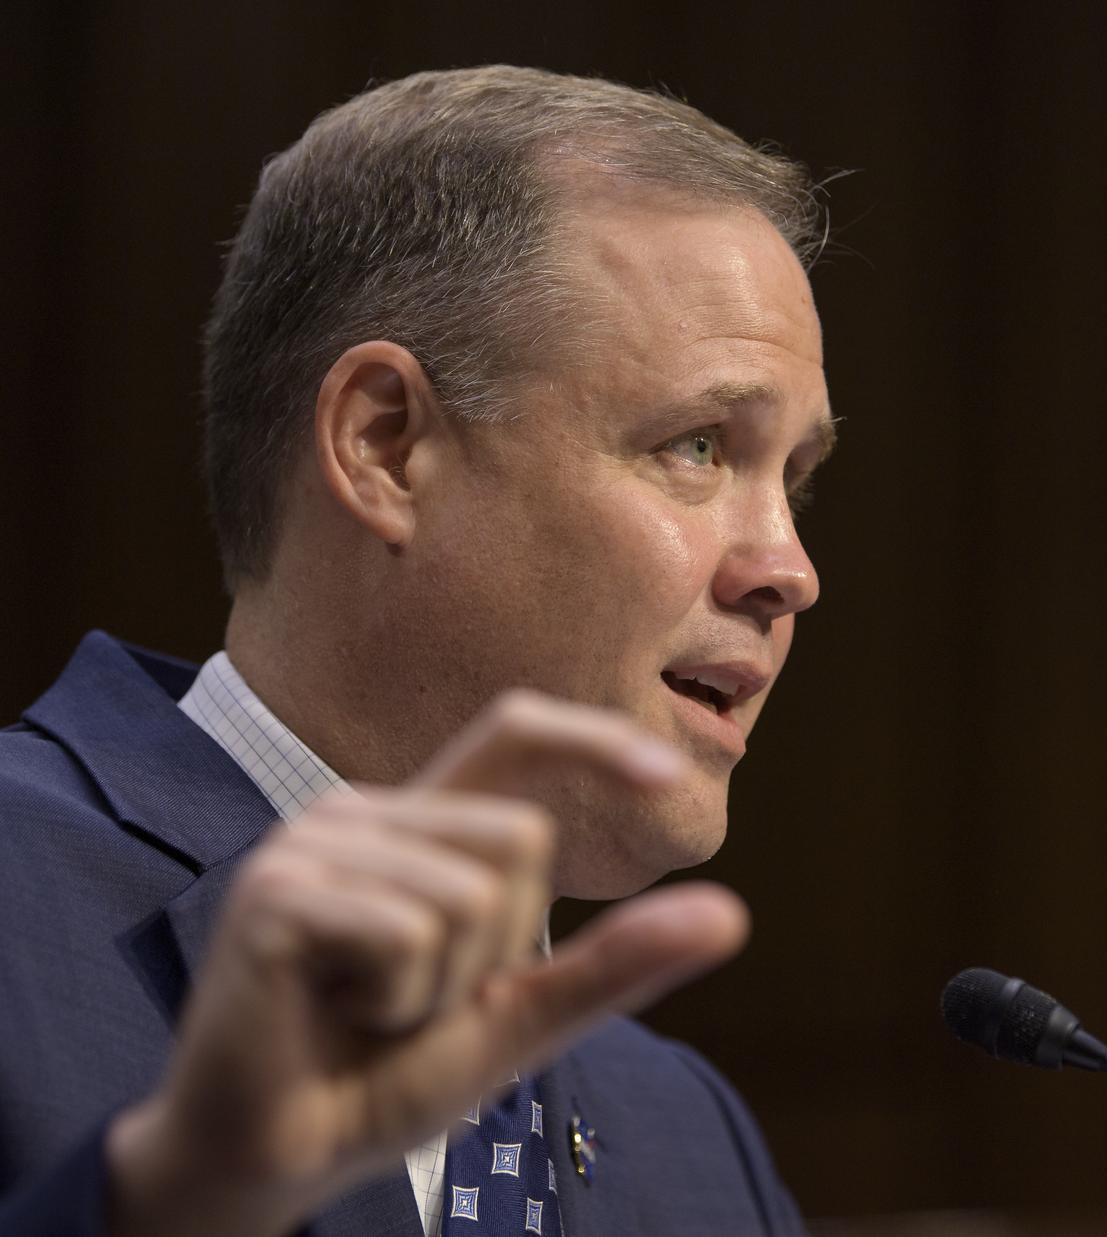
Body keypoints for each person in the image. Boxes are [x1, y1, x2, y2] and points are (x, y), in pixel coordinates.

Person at [0, 65, 835, 1236]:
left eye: (794, 479)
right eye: (697, 446)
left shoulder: (690, 1144)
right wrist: (173, 1198)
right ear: (385, 445)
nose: (788, 568)